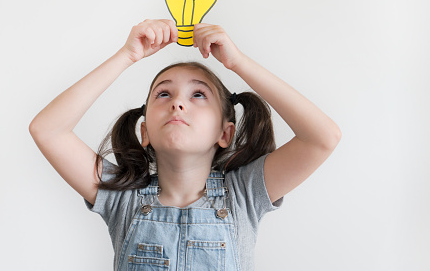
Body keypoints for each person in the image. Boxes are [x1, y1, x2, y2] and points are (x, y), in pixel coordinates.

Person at [29, 19, 341, 271]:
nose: (178, 102)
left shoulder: (245, 194)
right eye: (163, 94)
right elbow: (47, 130)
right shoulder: (122, 199)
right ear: (145, 131)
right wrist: (126, 56)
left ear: (225, 133)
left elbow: (322, 137)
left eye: (198, 95)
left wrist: (239, 63)